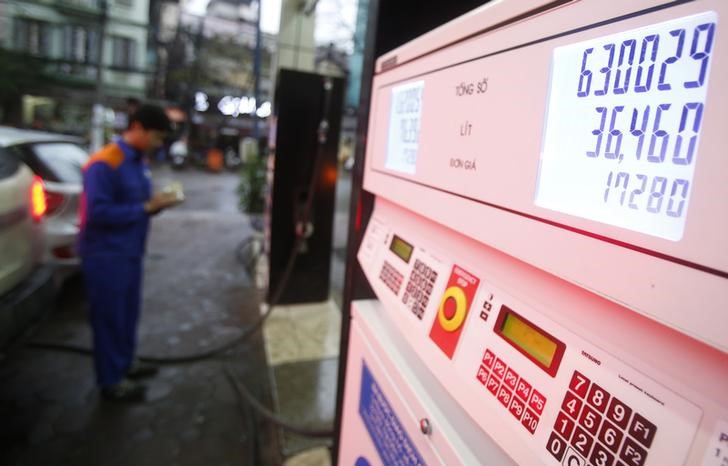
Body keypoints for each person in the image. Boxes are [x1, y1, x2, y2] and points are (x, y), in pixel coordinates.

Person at [78, 104, 181, 402]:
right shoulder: (105, 162)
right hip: (104, 256)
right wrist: (145, 207)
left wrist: (157, 204)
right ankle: (111, 381)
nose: (159, 144)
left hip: (130, 253)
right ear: (136, 128)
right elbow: (97, 212)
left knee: (127, 314)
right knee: (109, 317)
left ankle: (124, 363)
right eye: (157, 137)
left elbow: (139, 205)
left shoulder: (138, 161)